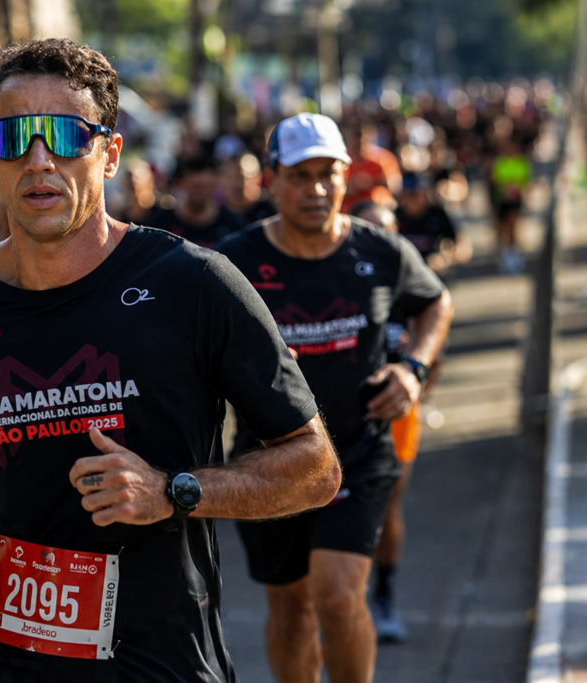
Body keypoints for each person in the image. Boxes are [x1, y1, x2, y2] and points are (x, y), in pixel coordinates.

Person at [0, 38, 341, 682]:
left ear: (110, 153)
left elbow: (315, 467)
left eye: (64, 135)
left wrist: (172, 492)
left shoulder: (193, 284)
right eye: (14, 137)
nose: (39, 160)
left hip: (153, 656)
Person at [217, 113, 453, 683]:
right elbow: (190, 341)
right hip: (269, 463)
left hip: (357, 452)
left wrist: (413, 369)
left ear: (348, 178)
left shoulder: (380, 250)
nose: (317, 189)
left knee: (339, 596)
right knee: (292, 614)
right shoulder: (233, 263)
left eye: (329, 174)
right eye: (300, 175)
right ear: (272, 180)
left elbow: (435, 302)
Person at [351, 201, 422, 643]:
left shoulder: (406, 285)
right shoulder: (334, 279)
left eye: (387, 230)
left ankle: (384, 594)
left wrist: (413, 379)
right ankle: (339, 597)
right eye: (369, 228)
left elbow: (434, 344)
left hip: (395, 417)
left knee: (388, 505)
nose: (379, 238)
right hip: (339, 413)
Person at [149, 156, 246, 247]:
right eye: (195, 186)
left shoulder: (233, 223)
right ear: (182, 184)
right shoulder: (161, 222)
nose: (199, 192)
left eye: (204, 186)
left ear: (214, 186)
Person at [394, 173, 470, 278]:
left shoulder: (438, 215)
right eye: (409, 194)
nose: (413, 199)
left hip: (433, 275)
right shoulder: (394, 218)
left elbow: (461, 248)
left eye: (416, 193)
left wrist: (443, 259)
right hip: (404, 275)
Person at [488, 136, 532, 274]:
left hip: (514, 202)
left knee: (513, 227)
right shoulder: (499, 162)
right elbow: (495, 181)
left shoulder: (522, 162)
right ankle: (505, 254)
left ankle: (513, 255)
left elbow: (526, 182)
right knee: (501, 230)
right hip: (501, 201)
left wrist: (515, 189)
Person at [222, 153, 277, 225]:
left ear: (258, 178)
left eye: (241, 177)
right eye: (230, 178)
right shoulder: (215, 217)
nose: (236, 183)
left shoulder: (269, 207)